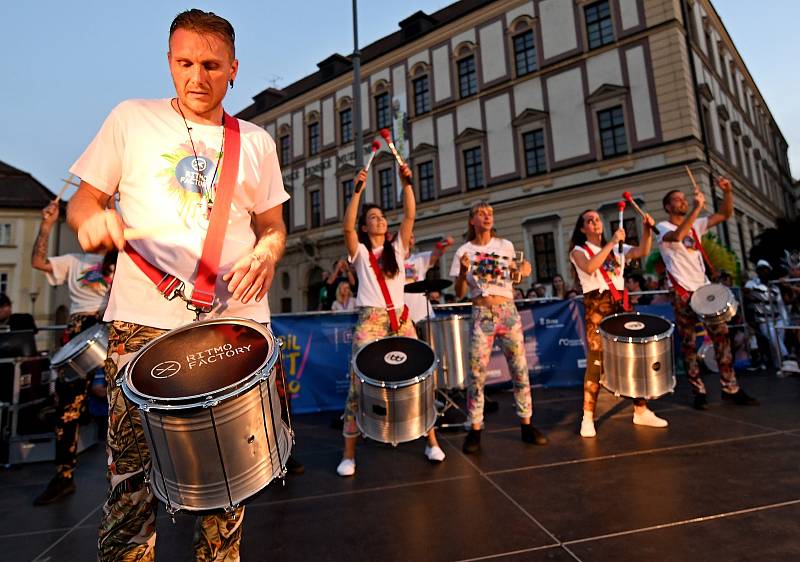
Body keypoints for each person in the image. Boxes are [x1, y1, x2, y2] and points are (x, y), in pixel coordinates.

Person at [65, 10, 289, 560]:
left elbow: (273, 226)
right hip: (142, 321)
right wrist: (88, 220)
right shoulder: (130, 119)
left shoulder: (256, 142)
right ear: (169, 61)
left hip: (232, 324)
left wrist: (267, 250)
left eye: (211, 65)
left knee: (227, 490)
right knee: (130, 482)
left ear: (233, 69)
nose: (196, 77)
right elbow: (85, 200)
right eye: (185, 63)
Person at [337, 164, 445, 477]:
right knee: (358, 386)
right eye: (373, 218)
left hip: (400, 318)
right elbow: (347, 227)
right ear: (366, 227)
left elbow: (410, 214)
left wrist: (407, 184)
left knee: (420, 378)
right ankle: (348, 454)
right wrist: (356, 193)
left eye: (382, 216)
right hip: (370, 319)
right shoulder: (358, 252)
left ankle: (431, 441)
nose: (380, 219)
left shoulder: (397, 248)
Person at [31, 200, 117, 505]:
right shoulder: (73, 260)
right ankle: (63, 476)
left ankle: (130, 478)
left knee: (123, 405)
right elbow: (39, 263)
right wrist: (46, 225)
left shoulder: (120, 259)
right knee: (68, 407)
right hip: (80, 330)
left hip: (110, 325)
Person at [451, 200, 547, 454]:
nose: (487, 216)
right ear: (472, 220)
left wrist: (524, 269)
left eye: (490, 213)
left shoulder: (505, 246)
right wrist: (462, 273)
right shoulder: (464, 250)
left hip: (507, 311)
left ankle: (526, 423)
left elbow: (518, 271)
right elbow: (460, 292)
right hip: (482, 312)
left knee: (519, 369)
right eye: (481, 213)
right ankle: (475, 428)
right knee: (476, 374)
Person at [658, 176, 757, 409]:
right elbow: (678, 236)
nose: (682, 202)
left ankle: (730, 387)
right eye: (677, 200)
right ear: (667, 207)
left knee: (722, 337)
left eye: (684, 199)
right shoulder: (663, 228)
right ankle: (698, 390)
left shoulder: (696, 224)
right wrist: (696, 208)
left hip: (703, 291)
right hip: (682, 292)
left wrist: (728, 191)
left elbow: (724, 215)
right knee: (689, 343)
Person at [570, 209, 667, 437]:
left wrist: (645, 229)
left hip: (620, 304)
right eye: (589, 220)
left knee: (635, 357)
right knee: (597, 360)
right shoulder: (579, 251)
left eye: (597, 219)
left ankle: (641, 410)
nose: (595, 222)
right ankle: (587, 416)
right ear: (583, 229)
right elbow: (590, 267)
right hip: (597, 304)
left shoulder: (617, 250)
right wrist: (612, 241)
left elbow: (643, 250)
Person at [744, 260, 799, 373]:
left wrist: (785, 320)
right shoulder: (753, 284)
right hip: (764, 321)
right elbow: (747, 293)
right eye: (761, 269)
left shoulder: (774, 287)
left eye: (766, 269)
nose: (764, 272)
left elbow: (781, 305)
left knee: (778, 343)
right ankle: (787, 358)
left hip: (778, 319)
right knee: (774, 340)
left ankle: (780, 365)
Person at [404, 234, 453, 324]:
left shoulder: (418, 259)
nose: (408, 239)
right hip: (402, 318)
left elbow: (437, 253)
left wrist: (445, 244)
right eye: (406, 235)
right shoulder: (389, 264)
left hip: (424, 315)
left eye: (412, 237)